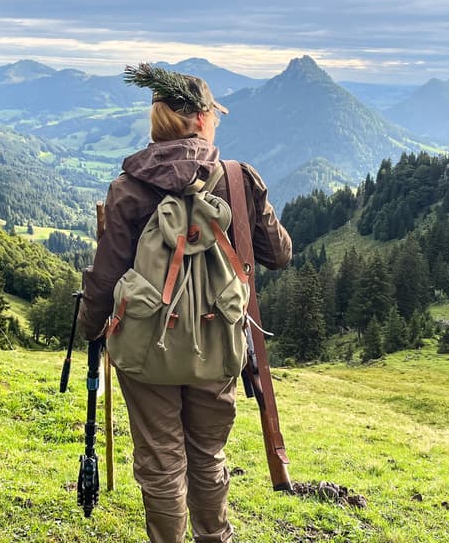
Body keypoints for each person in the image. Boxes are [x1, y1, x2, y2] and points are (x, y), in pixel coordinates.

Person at [78, 66, 292, 543]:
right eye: (213, 114)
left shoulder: (129, 187)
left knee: (160, 462)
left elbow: (107, 276)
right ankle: (215, 537)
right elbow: (278, 254)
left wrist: (94, 330)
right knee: (208, 455)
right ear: (199, 119)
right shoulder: (238, 180)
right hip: (218, 343)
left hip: (145, 347)